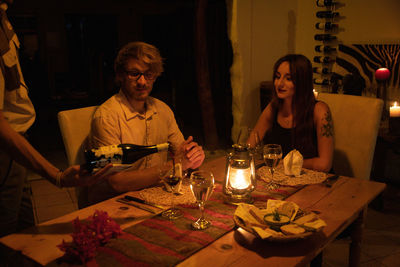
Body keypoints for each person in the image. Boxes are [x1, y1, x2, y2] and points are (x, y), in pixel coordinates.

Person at [0, 0, 111, 237]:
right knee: (8, 239)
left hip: (18, 147)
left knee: (27, 233)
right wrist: (57, 176)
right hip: (6, 149)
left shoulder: (3, 18)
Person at [86, 41, 205, 205]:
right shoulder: (106, 117)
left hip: (153, 196)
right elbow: (116, 182)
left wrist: (193, 157)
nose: (142, 82)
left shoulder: (162, 110)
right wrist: (175, 165)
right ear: (120, 75)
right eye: (134, 73)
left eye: (148, 74)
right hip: (112, 203)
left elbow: (182, 154)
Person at [249, 54, 333, 172]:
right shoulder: (273, 108)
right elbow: (250, 145)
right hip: (281, 178)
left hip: (315, 182)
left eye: (288, 78)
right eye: (277, 77)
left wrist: (285, 163)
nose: (280, 83)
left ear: (302, 82)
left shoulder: (320, 111)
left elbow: (324, 164)